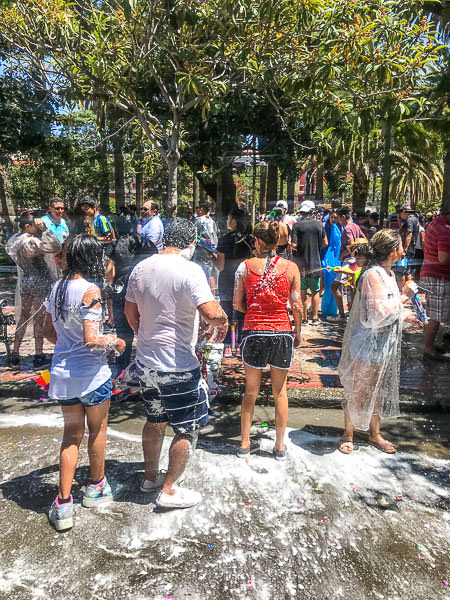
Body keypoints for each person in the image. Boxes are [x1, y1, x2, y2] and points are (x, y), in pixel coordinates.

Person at [124, 218, 228, 509]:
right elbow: (210, 312)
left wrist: (148, 336)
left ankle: (149, 478)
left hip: (146, 362)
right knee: (187, 428)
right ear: (191, 241)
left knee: (155, 418)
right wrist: (221, 320)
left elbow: (131, 316)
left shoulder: (140, 268)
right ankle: (169, 490)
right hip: (178, 366)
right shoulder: (190, 269)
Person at [43, 235, 126, 531]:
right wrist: (116, 341)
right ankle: (96, 487)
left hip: (63, 375)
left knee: (71, 436)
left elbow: (48, 332)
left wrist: (68, 342)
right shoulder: (90, 290)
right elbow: (92, 340)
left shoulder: (56, 288)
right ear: (92, 259)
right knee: (98, 431)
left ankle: (63, 505)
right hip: (92, 377)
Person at [337, 230, 420, 454]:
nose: (403, 249)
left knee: (378, 388)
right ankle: (348, 434)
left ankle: (375, 434)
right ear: (394, 251)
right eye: (401, 246)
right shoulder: (373, 275)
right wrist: (405, 296)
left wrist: (408, 316)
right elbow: (378, 312)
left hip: (383, 341)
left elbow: (392, 310)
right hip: (367, 341)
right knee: (359, 389)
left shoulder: (389, 274)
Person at [233, 221, 302, 461]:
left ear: (260, 242)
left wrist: (253, 309)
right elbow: (297, 306)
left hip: (254, 332)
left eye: (254, 240)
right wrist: (298, 332)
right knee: (280, 393)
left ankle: (244, 443)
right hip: (282, 332)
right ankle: (280, 446)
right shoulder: (291, 267)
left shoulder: (244, 267)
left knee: (250, 392)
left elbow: (236, 303)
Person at [6, 212, 62, 368]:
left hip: (25, 281)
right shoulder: (31, 242)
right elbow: (56, 246)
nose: (37, 228)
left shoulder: (15, 240)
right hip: (39, 282)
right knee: (38, 320)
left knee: (23, 318)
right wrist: (45, 230)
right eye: (34, 226)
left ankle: (15, 354)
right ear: (27, 226)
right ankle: (38, 356)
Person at [105, 216, 158, 377]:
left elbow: (109, 272)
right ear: (136, 227)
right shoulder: (147, 244)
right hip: (144, 290)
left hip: (122, 288)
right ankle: (149, 365)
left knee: (123, 331)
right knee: (148, 328)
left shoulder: (115, 245)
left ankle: (121, 369)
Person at [210, 206, 253, 356]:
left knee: (227, 314)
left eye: (229, 218)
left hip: (227, 280)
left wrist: (210, 255)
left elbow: (220, 266)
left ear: (235, 220)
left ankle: (228, 345)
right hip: (246, 280)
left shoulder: (224, 240)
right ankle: (242, 344)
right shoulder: (251, 239)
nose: (227, 220)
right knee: (243, 313)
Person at [420, 210, 450, 362]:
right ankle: (429, 349)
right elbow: (444, 258)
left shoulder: (436, 223)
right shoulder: (445, 229)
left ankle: (429, 346)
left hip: (431, 272)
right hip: (438, 275)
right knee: (434, 315)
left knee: (432, 312)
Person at [291, 201, 327, 325]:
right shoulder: (319, 225)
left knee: (303, 292)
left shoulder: (296, 226)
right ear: (312, 212)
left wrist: (292, 245)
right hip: (316, 263)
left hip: (301, 265)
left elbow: (294, 245)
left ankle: (305, 318)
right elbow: (325, 243)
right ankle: (315, 318)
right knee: (315, 291)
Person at [329, 207, 366, 322]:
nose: (337, 220)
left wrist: (342, 255)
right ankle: (351, 314)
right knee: (351, 288)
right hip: (356, 261)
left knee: (334, 287)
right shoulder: (356, 226)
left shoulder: (348, 228)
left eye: (338, 218)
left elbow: (351, 245)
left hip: (349, 261)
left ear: (343, 217)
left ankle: (341, 315)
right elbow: (364, 239)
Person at [192, 199, 218, 286]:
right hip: (212, 252)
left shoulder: (199, 221)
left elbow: (195, 237)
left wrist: (200, 241)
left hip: (201, 253)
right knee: (211, 275)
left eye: (197, 208)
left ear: (201, 209)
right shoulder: (212, 221)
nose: (196, 210)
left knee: (201, 276)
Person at [321, 210, 341, 318]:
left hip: (336, 258)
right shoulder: (326, 227)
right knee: (327, 283)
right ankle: (326, 308)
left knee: (334, 283)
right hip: (328, 257)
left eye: (335, 217)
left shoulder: (339, 228)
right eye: (331, 217)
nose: (333, 219)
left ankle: (333, 309)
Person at [393, 206, 419, 289]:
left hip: (407, 250)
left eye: (400, 214)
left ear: (404, 212)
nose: (400, 216)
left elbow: (409, 235)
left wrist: (404, 250)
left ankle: (401, 290)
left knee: (401, 271)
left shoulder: (409, 220)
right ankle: (409, 290)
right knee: (408, 271)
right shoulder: (415, 219)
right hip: (411, 248)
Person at [413, 215, 426, 280]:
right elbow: (422, 241)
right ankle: (417, 280)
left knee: (415, 266)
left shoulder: (415, 228)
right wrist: (424, 251)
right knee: (419, 267)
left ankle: (415, 278)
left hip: (414, 249)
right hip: (420, 250)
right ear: (423, 222)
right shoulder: (422, 229)